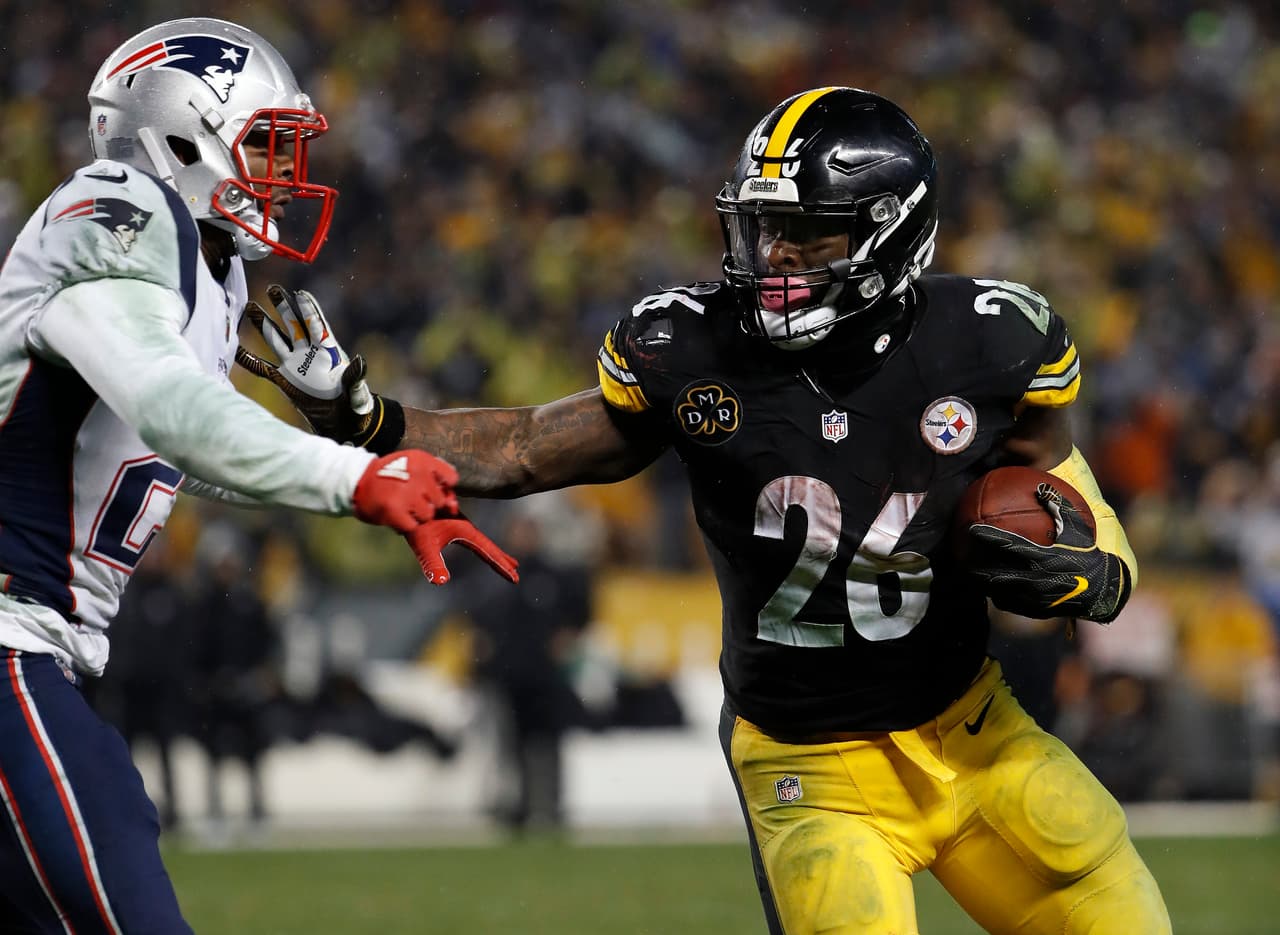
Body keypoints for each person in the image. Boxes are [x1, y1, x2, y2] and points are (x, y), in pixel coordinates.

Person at [248, 87, 1171, 933]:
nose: (773, 255)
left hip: (974, 726)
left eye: (807, 232)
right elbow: (527, 447)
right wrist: (367, 420)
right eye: (764, 227)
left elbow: (1063, 477)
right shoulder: (693, 348)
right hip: (813, 761)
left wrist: (1103, 571)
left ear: (891, 235)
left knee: (1111, 895)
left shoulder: (993, 339)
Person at [0, 17, 515, 934]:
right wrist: (351, 479)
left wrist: (355, 466)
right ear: (179, 135)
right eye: (266, 145)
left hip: (44, 654)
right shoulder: (118, 213)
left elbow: (164, 454)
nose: (284, 174)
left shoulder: (207, 270)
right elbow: (177, 414)